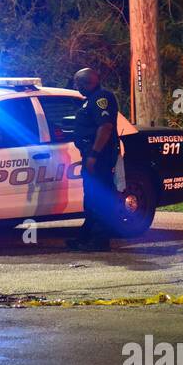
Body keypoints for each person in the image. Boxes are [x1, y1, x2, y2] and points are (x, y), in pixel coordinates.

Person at [67, 67, 119, 252]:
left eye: (77, 83)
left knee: (98, 197)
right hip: (93, 155)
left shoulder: (100, 98)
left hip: (99, 157)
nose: (76, 87)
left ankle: (100, 240)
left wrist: (94, 155)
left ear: (84, 83)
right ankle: (87, 237)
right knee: (91, 198)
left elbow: (105, 127)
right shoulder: (90, 100)